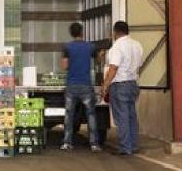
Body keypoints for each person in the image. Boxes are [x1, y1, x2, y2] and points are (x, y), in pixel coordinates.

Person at [101, 21, 144, 156]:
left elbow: (113, 68)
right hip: (132, 83)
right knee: (131, 116)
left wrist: (105, 85)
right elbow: (139, 65)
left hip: (120, 85)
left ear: (115, 32)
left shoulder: (117, 47)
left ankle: (125, 147)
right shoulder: (137, 45)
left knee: (122, 117)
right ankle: (134, 145)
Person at [60, 22, 101, 152]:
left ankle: (67, 142)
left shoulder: (67, 47)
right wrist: (101, 55)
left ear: (71, 33)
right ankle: (94, 144)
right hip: (86, 85)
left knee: (69, 114)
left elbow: (65, 66)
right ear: (82, 32)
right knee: (91, 115)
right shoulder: (90, 47)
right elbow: (98, 61)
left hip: (72, 85)